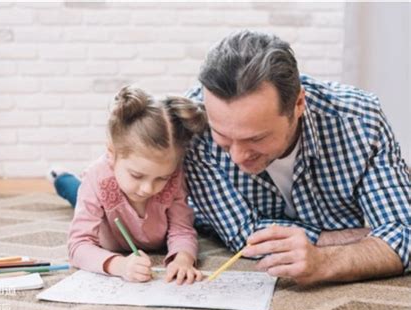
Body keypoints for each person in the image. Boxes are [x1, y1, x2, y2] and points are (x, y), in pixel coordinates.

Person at [184, 30, 410, 285]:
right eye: (222, 135)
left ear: (299, 103)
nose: (236, 156)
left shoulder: (361, 121)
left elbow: (405, 234)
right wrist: (368, 237)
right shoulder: (191, 124)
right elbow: (244, 235)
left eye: (256, 139)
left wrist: (325, 260)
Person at [61, 86, 206, 284]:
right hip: (95, 196)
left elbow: (182, 229)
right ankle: (61, 178)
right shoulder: (96, 177)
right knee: (75, 191)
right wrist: (119, 265)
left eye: (161, 178)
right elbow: (77, 246)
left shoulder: (174, 176)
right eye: (137, 175)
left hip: (143, 231)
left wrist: (183, 259)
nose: (148, 189)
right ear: (112, 153)